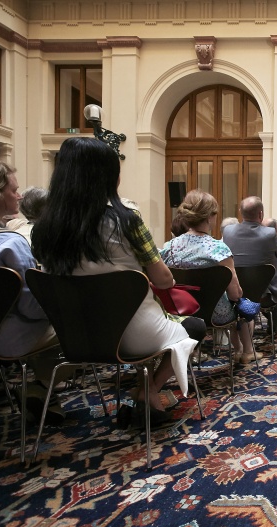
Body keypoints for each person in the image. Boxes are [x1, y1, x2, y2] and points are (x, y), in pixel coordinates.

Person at [31, 138, 205, 426]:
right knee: (192, 326)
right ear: (109, 177)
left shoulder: (43, 230)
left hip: (76, 337)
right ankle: (147, 390)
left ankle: (145, 393)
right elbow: (164, 279)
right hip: (136, 336)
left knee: (147, 325)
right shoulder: (126, 220)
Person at [0, 158, 63, 420]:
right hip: (6, 340)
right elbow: (32, 307)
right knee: (78, 326)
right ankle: (39, 389)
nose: (19, 196)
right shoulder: (10, 245)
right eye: (13, 190)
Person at [160, 190, 259, 364]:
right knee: (244, 308)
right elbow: (235, 294)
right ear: (210, 217)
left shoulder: (169, 247)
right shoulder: (219, 250)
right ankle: (246, 352)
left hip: (180, 312)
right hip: (216, 314)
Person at [222, 196, 277, 334]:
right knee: (271, 261)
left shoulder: (227, 231)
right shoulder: (269, 233)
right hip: (265, 296)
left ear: (240, 212)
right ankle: (273, 329)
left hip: (234, 292)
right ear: (261, 214)